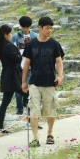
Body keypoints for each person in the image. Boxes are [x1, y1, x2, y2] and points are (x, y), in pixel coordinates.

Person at [21, 16, 65, 148]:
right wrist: (24, 81)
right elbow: (26, 64)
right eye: (47, 28)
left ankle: (50, 134)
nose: (49, 30)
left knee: (50, 110)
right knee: (34, 111)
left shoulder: (54, 44)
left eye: (51, 28)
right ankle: (35, 138)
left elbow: (59, 61)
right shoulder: (31, 44)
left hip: (50, 82)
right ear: (40, 28)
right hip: (34, 82)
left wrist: (60, 76)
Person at [0, 25, 23, 134]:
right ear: (5, 34)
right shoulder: (7, 46)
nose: (11, 35)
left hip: (9, 75)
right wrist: (19, 52)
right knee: (28, 95)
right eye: (10, 33)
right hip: (12, 76)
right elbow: (17, 58)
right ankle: (33, 120)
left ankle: (0, 126)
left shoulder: (3, 45)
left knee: (5, 102)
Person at [11, 16, 37, 115]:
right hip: (19, 66)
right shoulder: (16, 36)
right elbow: (12, 49)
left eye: (27, 27)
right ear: (21, 26)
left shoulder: (34, 36)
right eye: (23, 27)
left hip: (31, 66)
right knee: (18, 88)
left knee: (30, 87)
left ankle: (28, 107)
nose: (25, 29)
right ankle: (19, 109)